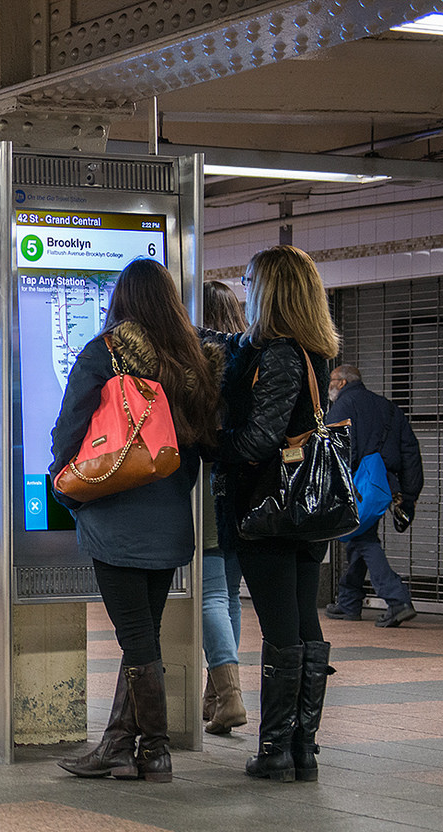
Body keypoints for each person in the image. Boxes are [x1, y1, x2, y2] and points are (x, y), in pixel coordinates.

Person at [51, 259, 222, 784]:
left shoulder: (104, 354)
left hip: (116, 518)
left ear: (121, 300)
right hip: (170, 520)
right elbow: (203, 444)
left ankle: (157, 750)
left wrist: (67, 488)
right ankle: (118, 746)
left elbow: (68, 430)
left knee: (137, 638)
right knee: (141, 633)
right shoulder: (192, 360)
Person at [206, 244, 341, 783]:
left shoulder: (281, 354)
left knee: (282, 628)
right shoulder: (311, 350)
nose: (244, 288)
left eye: (248, 280)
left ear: (271, 289)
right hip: (307, 509)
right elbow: (233, 344)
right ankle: (302, 750)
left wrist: (211, 445)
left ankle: (276, 750)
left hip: (270, 509)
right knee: (303, 622)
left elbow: (261, 438)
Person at [324, 364, 424, 628]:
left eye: (332, 380)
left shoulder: (343, 407)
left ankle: (397, 599)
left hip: (356, 484)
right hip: (383, 486)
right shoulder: (389, 408)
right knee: (361, 535)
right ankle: (349, 601)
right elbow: (410, 450)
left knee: (363, 538)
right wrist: (409, 493)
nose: (329, 386)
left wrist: (332, 487)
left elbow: (334, 449)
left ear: (342, 382)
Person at [198, 281, 247, 735]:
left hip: (209, 485)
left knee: (210, 595)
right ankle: (215, 696)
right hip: (243, 489)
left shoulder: (201, 358)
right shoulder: (249, 354)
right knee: (229, 594)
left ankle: (230, 697)